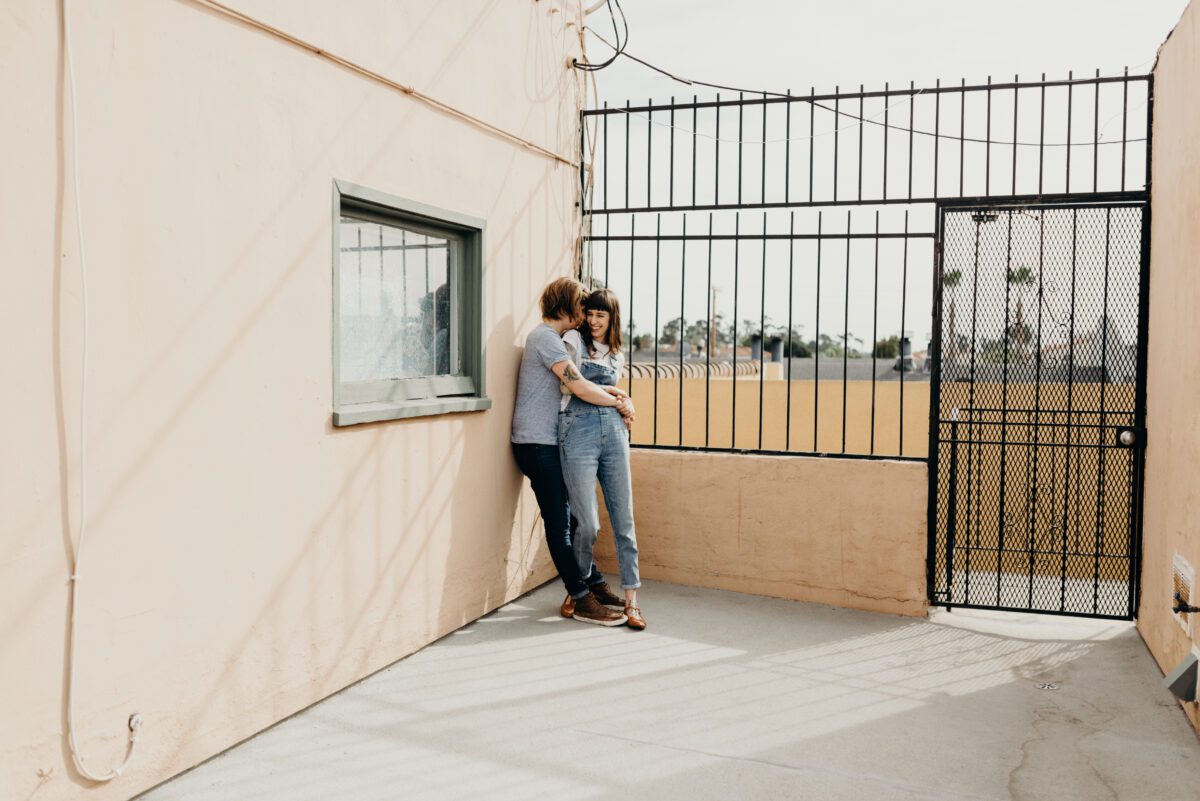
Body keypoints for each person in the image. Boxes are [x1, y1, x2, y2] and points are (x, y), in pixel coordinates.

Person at [511, 277, 634, 626]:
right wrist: (621, 403)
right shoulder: (546, 339)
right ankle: (580, 597)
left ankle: (592, 583)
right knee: (561, 522)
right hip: (536, 442)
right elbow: (578, 385)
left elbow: (591, 382)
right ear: (567, 305)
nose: (586, 313)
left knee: (575, 519)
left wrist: (621, 397)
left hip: (550, 440)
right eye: (582, 305)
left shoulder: (554, 339)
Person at [558, 289, 646, 630]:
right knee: (587, 522)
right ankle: (579, 590)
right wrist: (617, 395)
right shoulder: (571, 341)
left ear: (612, 318)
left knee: (624, 520)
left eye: (601, 315)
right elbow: (569, 386)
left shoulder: (618, 354)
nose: (593, 321)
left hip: (614, 433)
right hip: (577, 431)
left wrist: (626, 401)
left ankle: (632, 601)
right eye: (590, 313)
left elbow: (617, 393)